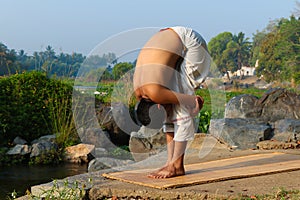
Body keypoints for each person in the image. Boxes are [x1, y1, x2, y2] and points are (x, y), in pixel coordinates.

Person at [133, 26, 211, 179]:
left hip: (190, 42)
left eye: (164, 111)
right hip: (170, 36)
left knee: (180, 110)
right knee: (173, 108)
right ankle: (171, 162)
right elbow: (166, 101)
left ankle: (177, 165)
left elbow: (194, 101)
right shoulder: (140, 92)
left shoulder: (155, 92)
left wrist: (194, 106)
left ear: (158, 104)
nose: (166, 114)